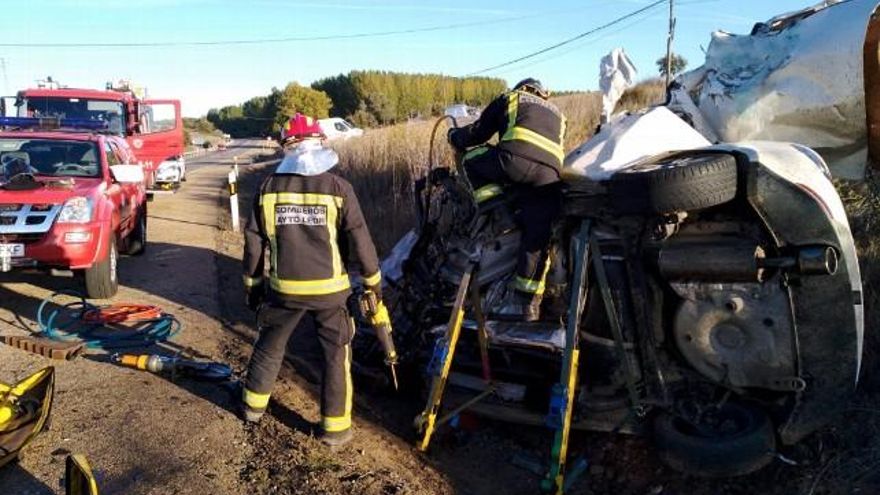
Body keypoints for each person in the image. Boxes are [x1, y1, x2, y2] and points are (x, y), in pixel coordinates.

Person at [240, 113, 382, 448]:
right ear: (319, 142)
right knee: (335, 355)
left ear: (288, 146)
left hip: (284, 290)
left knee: (269, 346)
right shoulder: (338, 187)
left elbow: (253, 245)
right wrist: (373, 282)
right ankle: (334, 430)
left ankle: (251, 408)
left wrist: (253, 289)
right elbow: (360, 239)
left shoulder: (267, 189)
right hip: (331, 293)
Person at [447, 78, 566, 322]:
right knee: (536, 240)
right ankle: (528, 306)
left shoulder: (511, 98)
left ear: (521, 88)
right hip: (549, 177)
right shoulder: (558, 114)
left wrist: (454, 137)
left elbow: (477, 133)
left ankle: (498, 213)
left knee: (471, 159)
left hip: (514, 161)